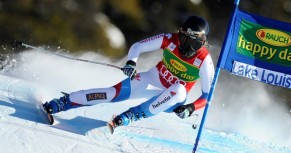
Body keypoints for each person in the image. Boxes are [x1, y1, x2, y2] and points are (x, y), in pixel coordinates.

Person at [43, 15, 215, 130]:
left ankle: (131, 116)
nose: (185, 47)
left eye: (191, 44)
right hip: (153, 79)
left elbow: (207, 96)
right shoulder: (170, 39)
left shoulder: (204, 61)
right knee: (112, 93)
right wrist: (131, 62)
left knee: (179, 89)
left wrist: (190, 108)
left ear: (201, 42)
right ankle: (63, 102)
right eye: (183, 39)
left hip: (173, 100)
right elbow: (138, 46)